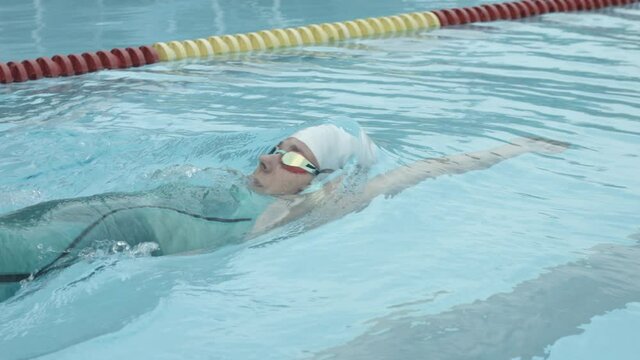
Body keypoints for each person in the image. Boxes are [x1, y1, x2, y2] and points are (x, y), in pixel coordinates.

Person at [0, 120, 567, 298]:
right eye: (279, 145)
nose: (274, 157)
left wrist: (520, 148)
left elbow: (427, 170)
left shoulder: (312, 210)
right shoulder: (229, 177)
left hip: (119, 230)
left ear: (321, 180)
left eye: (296, 156)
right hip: (92, 214)